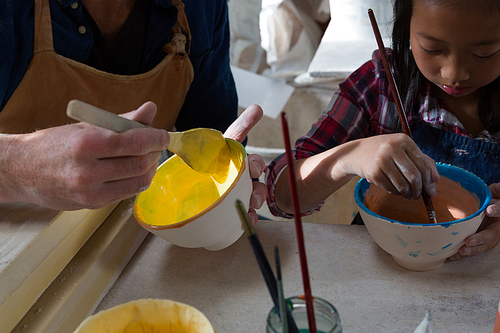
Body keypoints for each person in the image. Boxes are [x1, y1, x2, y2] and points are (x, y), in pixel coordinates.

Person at [266, 0, 500, 259]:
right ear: (405, 26)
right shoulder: (380, 84)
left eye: (485, 53)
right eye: (431, 48)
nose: (454, 73)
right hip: (377, 269)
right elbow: (281, 195)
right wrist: (350, 156)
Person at [0, 0, 267, 224]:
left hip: (127, 236)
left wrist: (233, 185)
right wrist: (17, 168)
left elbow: (213, 146)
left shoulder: (200, 6)